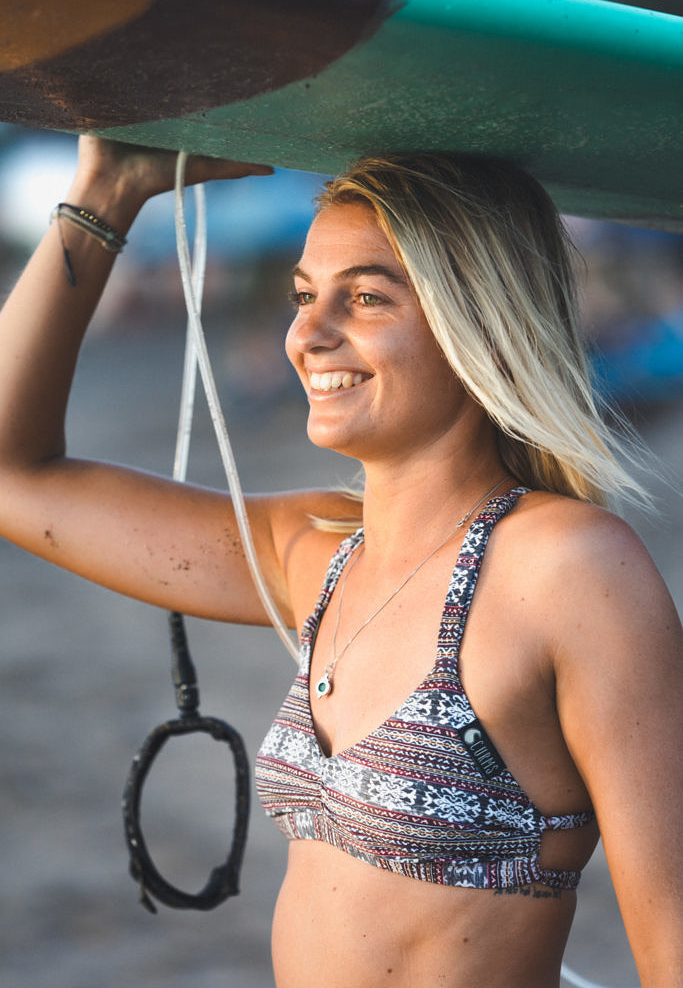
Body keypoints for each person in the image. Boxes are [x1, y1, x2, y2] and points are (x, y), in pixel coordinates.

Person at [0, 136, 680, 988]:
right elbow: (12, 474)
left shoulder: (566, 569)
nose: (307, 335)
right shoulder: (316, 553)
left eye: (364, 298)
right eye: (300, 296)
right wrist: (106, 192)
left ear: (481, 321)